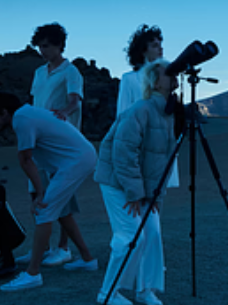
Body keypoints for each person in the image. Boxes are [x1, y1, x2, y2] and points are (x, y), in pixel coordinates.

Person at [0, 92, 99, 292]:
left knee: (44, 210)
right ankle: (88, 259)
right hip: (72, 160)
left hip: (75, 162)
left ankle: (32, 273)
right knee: (61, 212)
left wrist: (39, 194)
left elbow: (26, 159)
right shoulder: (27, 114)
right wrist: (41, 191)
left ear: (3, 113)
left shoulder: (21, 119)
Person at [95, 58, 177, 305]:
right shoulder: (141, 109)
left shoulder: (168, 114)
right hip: (116, 180)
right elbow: (122, 152)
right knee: (130, 236)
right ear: (154, 82)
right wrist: (134, 193)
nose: (173, 76)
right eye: (167, 73)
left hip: (139, 185)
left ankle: (146, 289)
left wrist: (155, 196)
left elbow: (162, 161)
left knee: (152, 232)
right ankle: (108, 294)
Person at [15, 22, 85, 266]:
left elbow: (75, 101)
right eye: (40, 46)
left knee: (63, 195)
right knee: (36, 191)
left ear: (59, 45)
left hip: (62, 143)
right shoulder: (38, 72)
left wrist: (64, 112)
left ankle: (64, 248)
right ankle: (41, 247)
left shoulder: (71, 71)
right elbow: (35, 103)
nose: (42, 50)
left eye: (47, 45)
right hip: (39, 141)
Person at [117, 25, 179, 189]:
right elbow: (122, 113)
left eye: (160, 44)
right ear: (143, 50)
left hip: (161, 142)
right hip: (139, 142)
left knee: (159, 193)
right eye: (154, 45)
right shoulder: (130, 79)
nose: (160, 48)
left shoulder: (167, 79)